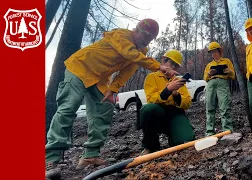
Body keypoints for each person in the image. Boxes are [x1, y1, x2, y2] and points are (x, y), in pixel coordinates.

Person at [45, 19, 178, 179]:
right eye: (145, 36)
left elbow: (127, 72)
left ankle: (90, 156)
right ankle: (50, 159)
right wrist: (159, 66)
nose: (146, 40)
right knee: (68, 108)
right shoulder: (121, 35)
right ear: (137, 30)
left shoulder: (142, 50)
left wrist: (113, 89)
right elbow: (130, 53)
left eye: (150, 38)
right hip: (80, 67)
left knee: (105, 109)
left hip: (99, 79)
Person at [139, 49, 195, 155]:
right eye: (171, 63)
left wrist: (176, 95)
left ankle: (174, 137)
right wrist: (168, 90)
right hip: (158, 113)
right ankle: (151, 145)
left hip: (175, 114)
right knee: (148, 109)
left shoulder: (178, 81)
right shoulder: (152, 77)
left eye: (176, 65)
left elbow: (187, 103)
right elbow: (151, 98)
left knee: (186, 141)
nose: (173, 67)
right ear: (163, 60)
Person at [203, 42, 235, 136]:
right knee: (209, 106)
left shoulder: (227, 61)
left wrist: (229, 71)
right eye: (212, 52)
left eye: (215, 51)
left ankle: (227, 130)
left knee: (224, 106)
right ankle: (209, 132)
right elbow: (205, 78)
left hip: (223, 83)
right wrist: (209, 73)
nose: (213, 54)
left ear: (219, 51)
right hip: (211, 84)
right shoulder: (209, 65)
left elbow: (233, 76)